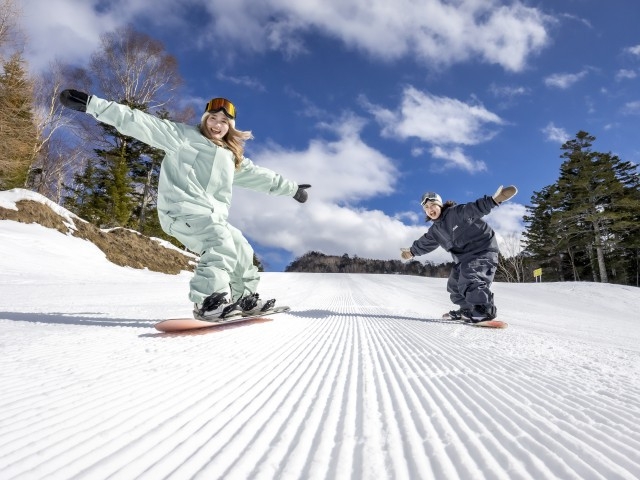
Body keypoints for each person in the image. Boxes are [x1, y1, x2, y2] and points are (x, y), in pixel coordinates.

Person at [59, 89, 310, 320]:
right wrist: (92, 105)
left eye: (223, 122)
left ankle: (244, 299)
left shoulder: (230, 157)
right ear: (205, 119)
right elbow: (139, 121)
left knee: (240, 247)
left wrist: (292, 189)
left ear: (230, 127)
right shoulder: (181, 137)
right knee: (219, 240)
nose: (217, 125)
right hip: (180, 211)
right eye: (212, 118)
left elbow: (261, 176)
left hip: (210, 217)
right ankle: (208, 301)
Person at [400, 186, 517, 323]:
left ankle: (484, 309)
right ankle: (467, 309)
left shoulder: (456, 213)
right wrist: (412, 251)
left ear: (440, 205)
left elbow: (474, 208)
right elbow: (424, 242)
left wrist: (493, 200)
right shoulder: (435, 231)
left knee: (470, 276)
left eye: (433, 205)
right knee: (454, 285)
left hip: (482, 251)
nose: (430, 209)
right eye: (426, 207)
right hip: (463, 259)